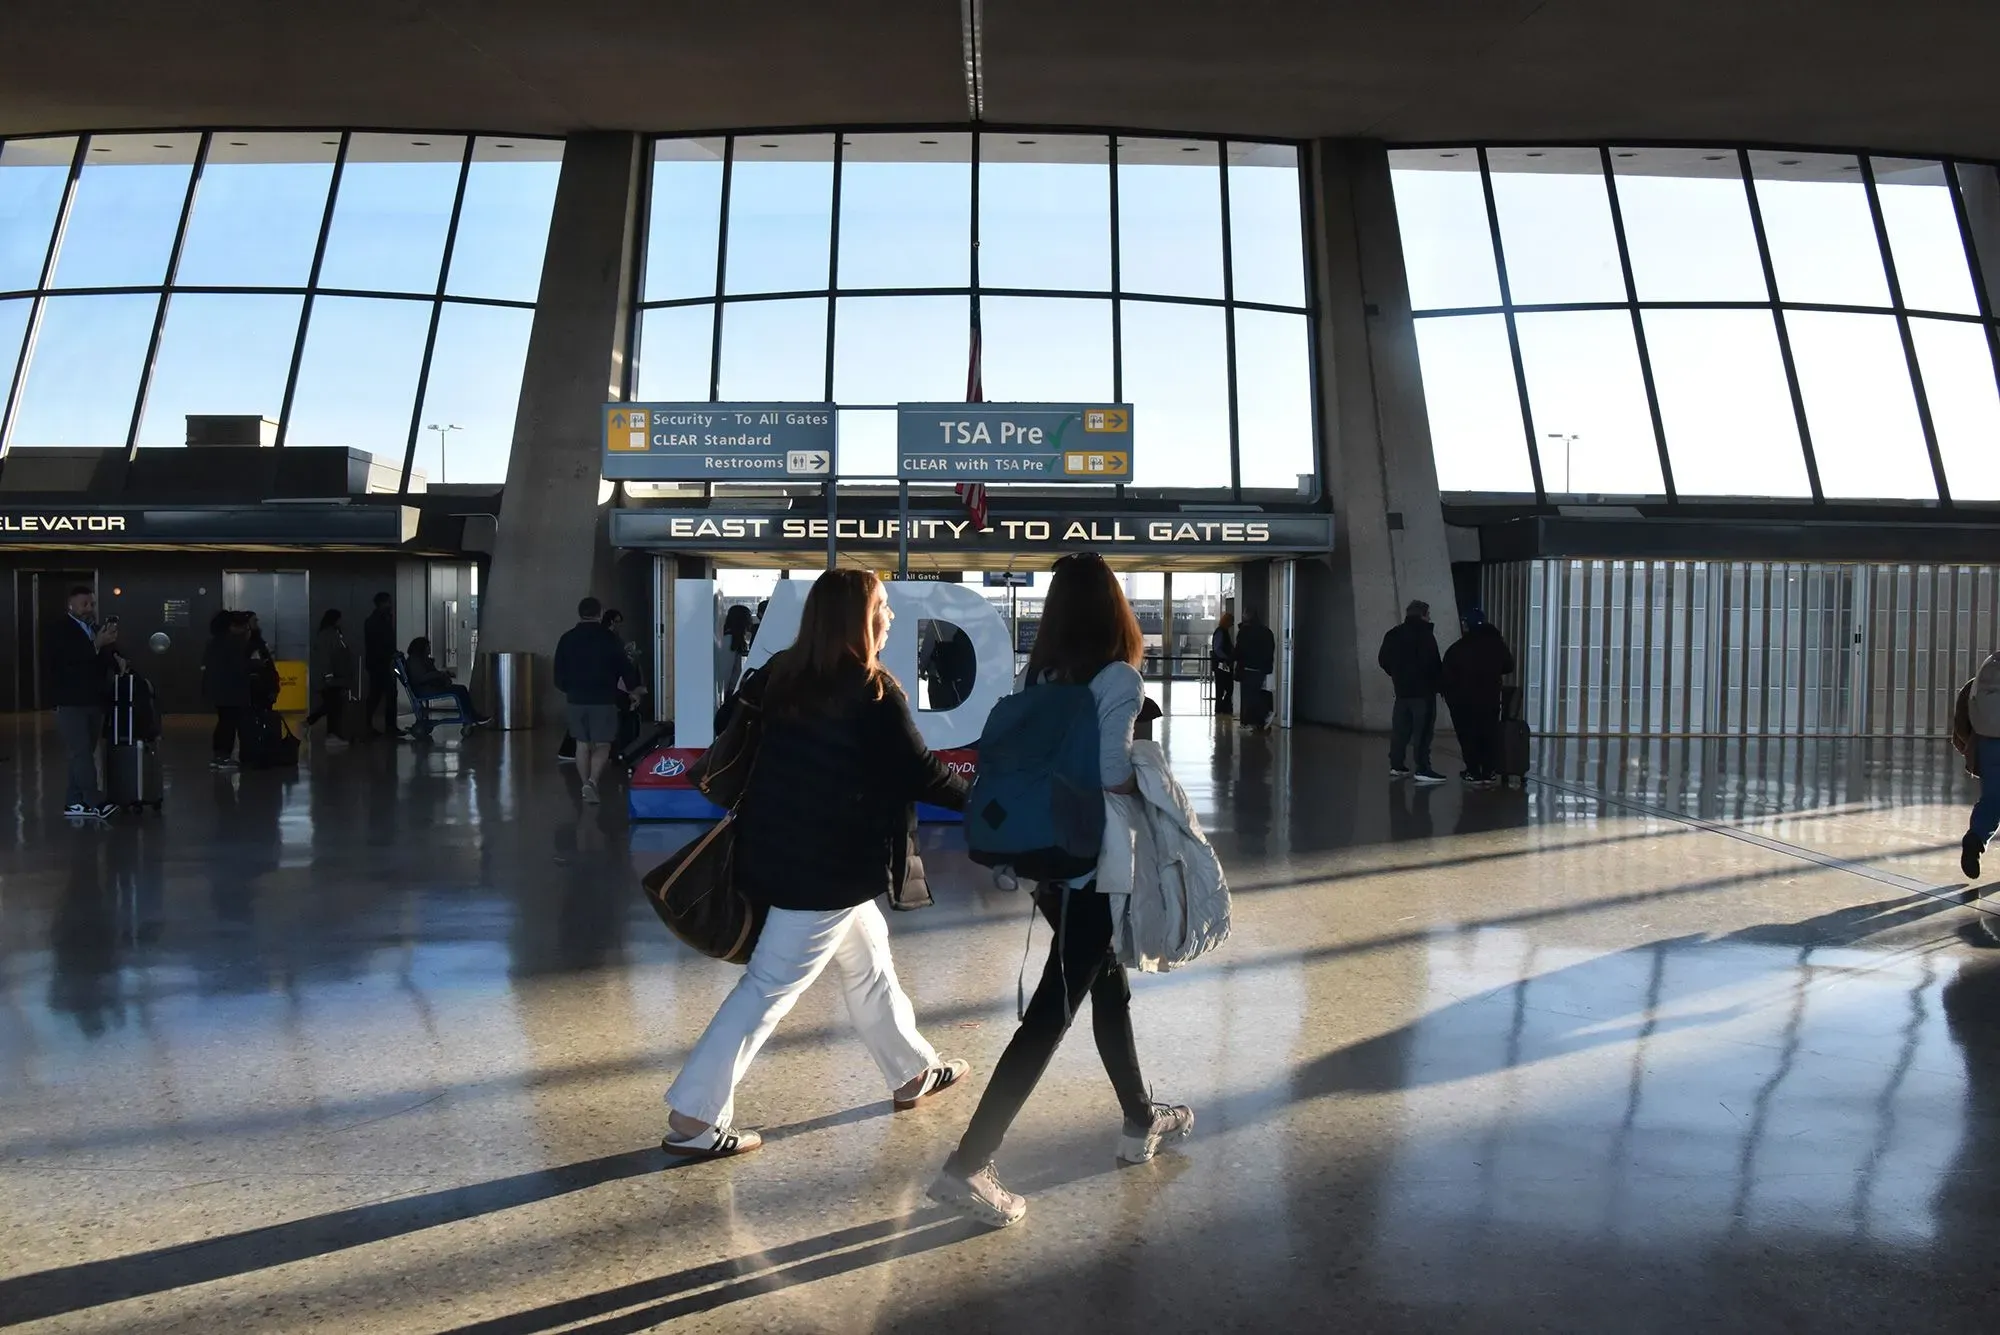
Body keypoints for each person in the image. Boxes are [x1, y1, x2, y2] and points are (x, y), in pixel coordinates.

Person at [661, 569, 971, 1159]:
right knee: (769, 987)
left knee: (870, 962)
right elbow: (920, 770)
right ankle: (694, 1117)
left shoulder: (782, 675)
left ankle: (911, 1071)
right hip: (827, 868)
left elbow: (737, 736)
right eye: (882, 606)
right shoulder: (870, 689)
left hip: (782, 850)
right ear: (856, 618)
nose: (891, 617)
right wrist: (986, 802)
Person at [930, 552, 1194, 1229]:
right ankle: (969, 1162)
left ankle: (1140, 1118)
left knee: (1106, 985)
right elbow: (1111, 770)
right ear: (1116, 609)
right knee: (1052, 1010)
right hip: (1097, 868)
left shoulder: (1041, 673)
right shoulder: (1119, 677)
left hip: (1050, 862)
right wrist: (1151, 789)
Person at [44, 584, 121, 820]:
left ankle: (74, 801)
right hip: (70, 701)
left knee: (85, 751)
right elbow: (67, 660)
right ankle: (94, 800)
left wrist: (115, 656)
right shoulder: (60, 629)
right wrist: (97, 644)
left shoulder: (94, 628)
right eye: (84, 604)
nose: (89, 609)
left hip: (94, 699)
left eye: (92, 604)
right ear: (71, 605)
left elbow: (101, 659)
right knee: (81, 754)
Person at [554, 596, 631, 804]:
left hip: (576, 699)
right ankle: (592, 781)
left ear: (580, 613)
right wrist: (634, 689)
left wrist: (569, 689)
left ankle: (583, 784)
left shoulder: (566, 638)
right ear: (599, 613)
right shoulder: (609, 638)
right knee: (603, 744)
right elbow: (624, 666)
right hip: (603, 699)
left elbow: (558, 672)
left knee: (582, 744)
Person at [1441, 609, 1515, 787]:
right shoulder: (1497, 645)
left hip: (1463, 701)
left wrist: (1449, 695)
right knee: (1489, 734)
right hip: (1490, 698)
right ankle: (1488, 771)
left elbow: (1446, 674)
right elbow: (1508, 665)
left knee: (1468, 736)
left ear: (1467, 625)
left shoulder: (1458, 647)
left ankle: (1473, 771)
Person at [1379, 599, 1445, 785]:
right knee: (1422, 732)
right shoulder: (1425, 635)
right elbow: (1433, 664)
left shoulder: (1394, 634)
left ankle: (1397, 765)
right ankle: (1423, 768)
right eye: (1428, 614)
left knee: (1400, 730)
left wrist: (1396, 674)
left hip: (1401, 691)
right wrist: (1438, 685)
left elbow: (1383, 659)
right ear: (1423, 614)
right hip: (1423, 693)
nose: (1430, 617)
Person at [1954, 648, 2000, 879]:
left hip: (1988, 744)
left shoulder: (1989, 669)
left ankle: (1975, 839)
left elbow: (1964, 707)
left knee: (1992, 800)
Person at [202, 611, 253, 770]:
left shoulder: (214, 642)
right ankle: (223, 757)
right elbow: (240, 667)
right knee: (229, 723)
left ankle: (219, 755)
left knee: (224, 722)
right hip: (231, 690)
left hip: (218, 689)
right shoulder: (233, 643)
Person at [403, 637, 486, 728]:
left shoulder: (420, 660)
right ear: (421, 648)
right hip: (424, 689)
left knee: (461, 689)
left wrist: (442, 676)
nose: (429, 648)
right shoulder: (416, 661)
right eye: (428, 646)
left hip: (427, 687)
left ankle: (470, 716)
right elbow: (422, 678)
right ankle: (469, 717)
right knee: (460, 690)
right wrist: (439, 675)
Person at [305, 608, 356, 750]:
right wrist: (329, 676)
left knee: (333, 706)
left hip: (337, 677)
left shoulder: (335, 634)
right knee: (333, 706)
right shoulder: (327, 635)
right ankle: (331, 735)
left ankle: (328, 731)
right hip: (332, 678)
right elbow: (325, 657)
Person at [362, 591, 401, 739]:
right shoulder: (376, 621)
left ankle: (376, 725)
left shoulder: (381, 619)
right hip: (379, 664)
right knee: (381, 695)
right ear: (381, 603)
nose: (390, 605)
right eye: (388, 602)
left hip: (380, 663)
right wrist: (391, 653)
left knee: (380, 695)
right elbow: (380, 643)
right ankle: (384, 726)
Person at [1235, 604, 1277, 730]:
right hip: (1261, 669)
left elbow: (1239, 650)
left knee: (1250, 696)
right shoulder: (1266, 631)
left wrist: (1232, 659)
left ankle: (1261, 716)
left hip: (1247, 668)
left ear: (1247, 615)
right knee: (1257, 694)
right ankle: (1257, 721)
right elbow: (1270, 650)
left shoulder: (1244, 631)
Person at [721, 602, 755, 695]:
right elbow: (726, 671)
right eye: (748, 617)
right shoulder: (729, 640)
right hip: (729, 692)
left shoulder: (733, 639)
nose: (751, 621)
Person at [1209, 609, 1236, 716]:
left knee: (1222, 687)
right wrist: (1227, 657)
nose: (1232, 624)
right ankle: (1223, 707)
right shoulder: (1221, 632)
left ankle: (1222, 707)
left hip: (1221, 664)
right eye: (1231, 621)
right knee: (1226, 688)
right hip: (1222, 664)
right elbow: (1218, 649)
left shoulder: (1222, 632)